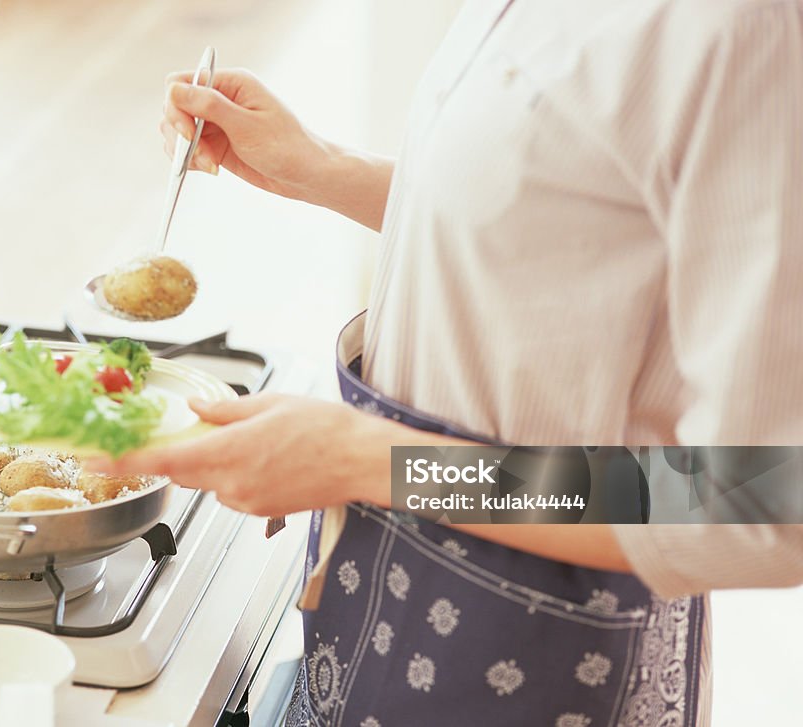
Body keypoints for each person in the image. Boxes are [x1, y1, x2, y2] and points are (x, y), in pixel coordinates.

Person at [94, 1, 803, 724]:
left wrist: (374, 460)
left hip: (544, 660)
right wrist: (320, 166)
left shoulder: (742, 29)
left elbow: (761, 500)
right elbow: (569, 221)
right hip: (392, 603)